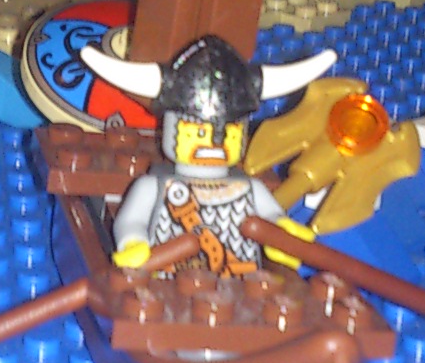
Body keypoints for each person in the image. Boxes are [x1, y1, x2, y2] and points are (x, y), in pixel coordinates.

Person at [79, 34, 334, 275]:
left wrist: (281, 231)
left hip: (239, 284)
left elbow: (272, 217)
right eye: (199, 132)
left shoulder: (250, 189)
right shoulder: (152, 187)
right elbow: (131, 220)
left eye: (229, 133)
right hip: (163, 280)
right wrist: (133, 242)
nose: (214, 143)